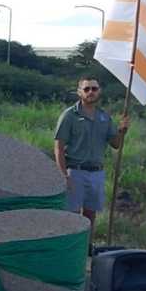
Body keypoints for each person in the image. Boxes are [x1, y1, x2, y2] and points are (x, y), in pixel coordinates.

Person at [53, 77, 129, 242]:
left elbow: (116, 144)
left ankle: (86, 248)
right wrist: (63, 175)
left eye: (94, 89)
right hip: (75, 172)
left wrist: (122, 131)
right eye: (86, 89)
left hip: (96, 173)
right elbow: (58, 147)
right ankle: (70, 250)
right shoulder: (69, 115)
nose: (91, 92)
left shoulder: (104, 117)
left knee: (90, 214)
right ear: (79, 92)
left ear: (99, 91)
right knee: (71, 215)